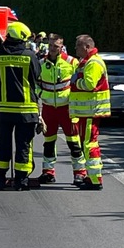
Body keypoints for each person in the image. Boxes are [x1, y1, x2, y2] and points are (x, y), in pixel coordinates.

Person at [0, 21, 41, 190]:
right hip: (27, 109)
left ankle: (0, 180)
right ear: (22, 38)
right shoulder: (30, 55)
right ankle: (21, 181)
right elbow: (37, 76)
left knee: (2, 144)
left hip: (5, 109)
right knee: (24, 145)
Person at [37, 33, 86, 184]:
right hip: (48, 108)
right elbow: (34, 83)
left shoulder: (72, 62)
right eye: (50, 46)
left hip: (67, 108)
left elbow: (80, 81)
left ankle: (80, 173)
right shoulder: (40, 63)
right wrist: (41, 94)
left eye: (56, 46)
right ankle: (48, 172)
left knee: (74, 142)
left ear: (61, 47)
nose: (52, 49)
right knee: (48, 142)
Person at [69, 35, 111, 190]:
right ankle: (91, 177)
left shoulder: (93, 63)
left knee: (90, 144)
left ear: (86, 47)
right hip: (86, 112)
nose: (75, 48)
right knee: (87, 144)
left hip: (90, 112)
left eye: (78, 46)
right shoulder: (86, 62)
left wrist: (75, 81)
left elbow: (89, 84)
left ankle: (94, 180)